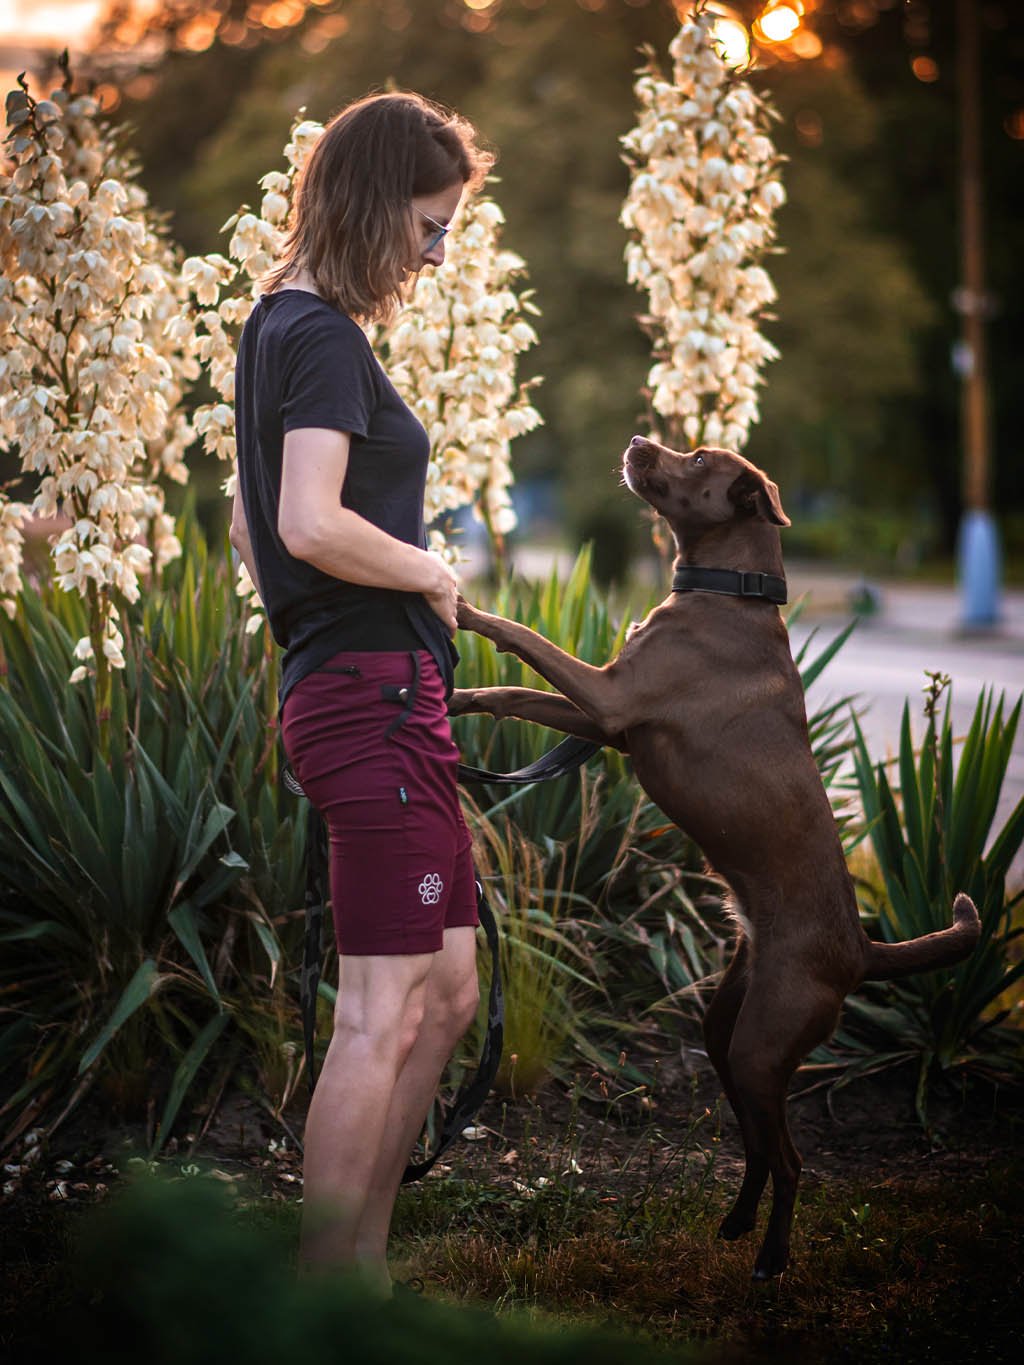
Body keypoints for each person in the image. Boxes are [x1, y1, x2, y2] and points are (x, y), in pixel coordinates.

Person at [228, 91, 493, 1288]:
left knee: (446, 991)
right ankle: (329, 1300)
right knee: (384, 1012)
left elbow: (248, 522)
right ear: (373, 200)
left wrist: (306, 615)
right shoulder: (323, 336)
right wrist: (426, 570)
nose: (436, 254)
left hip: (370, 689)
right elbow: (301, 518)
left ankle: (363, 1276)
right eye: (429, 225)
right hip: (368, 699)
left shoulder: (280, 318)